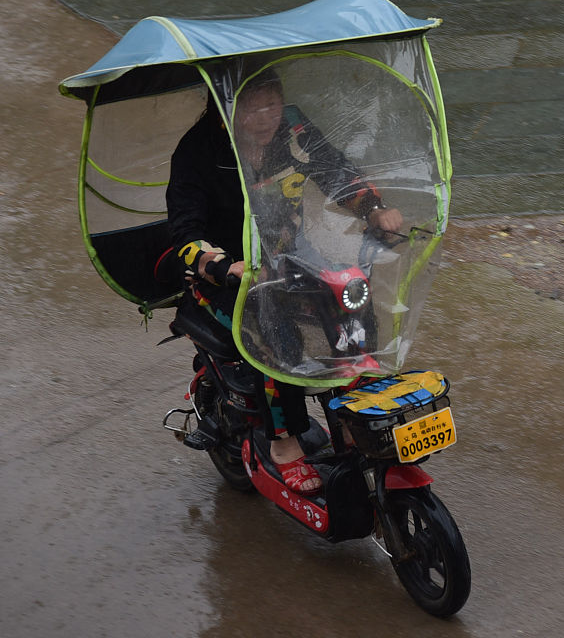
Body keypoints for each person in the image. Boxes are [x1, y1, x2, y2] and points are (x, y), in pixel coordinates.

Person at [162, 69, 402, 493]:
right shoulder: (197, 151)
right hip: (226, 275)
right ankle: (284, 444)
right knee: (278, 336)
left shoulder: (292, 126)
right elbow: (184, 232)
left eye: (272, 104)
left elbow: (334, 169)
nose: (266, 118)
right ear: (226, 111)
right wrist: (221, 265)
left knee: (353, 302)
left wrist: (373, 208)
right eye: (252, 109)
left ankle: (352, 418)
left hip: (289, 254)